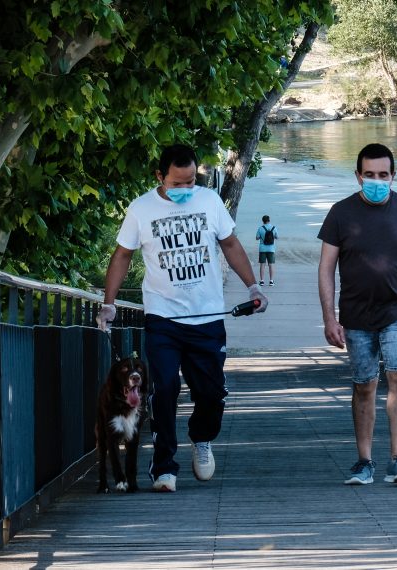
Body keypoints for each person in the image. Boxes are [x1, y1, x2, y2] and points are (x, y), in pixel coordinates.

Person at [98, 144, 268, 493]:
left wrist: (253, 287)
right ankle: (164, 467)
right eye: (177, 183)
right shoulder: (141, 209)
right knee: (164, 389)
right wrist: (109, 303)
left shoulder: (209, 202)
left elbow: (232, 245)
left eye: (191, 182)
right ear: (159, 177)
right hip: (163, 318)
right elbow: (122, 256)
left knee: (212, 394)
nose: (186, 189)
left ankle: (202, 438)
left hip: (207, 318)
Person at [317, 143, 397, 486]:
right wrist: (330, 318)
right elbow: (326, 268)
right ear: (358, 176)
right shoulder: (340, 213)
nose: (377, 181)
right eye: (369, 175)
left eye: (383, 175)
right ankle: (364, 461)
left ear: (393, 175)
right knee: (364, 385)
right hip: (356, 316)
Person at [255, 215, 278, 286]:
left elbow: (257, 238)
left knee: (262, 264)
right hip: (271, 249)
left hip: (262, 249)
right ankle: (271, 281)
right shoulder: (274, 228)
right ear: (269, 220)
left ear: (263, 221)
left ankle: (262, 281)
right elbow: (277, 237)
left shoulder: (260, 228)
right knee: (271, 265)